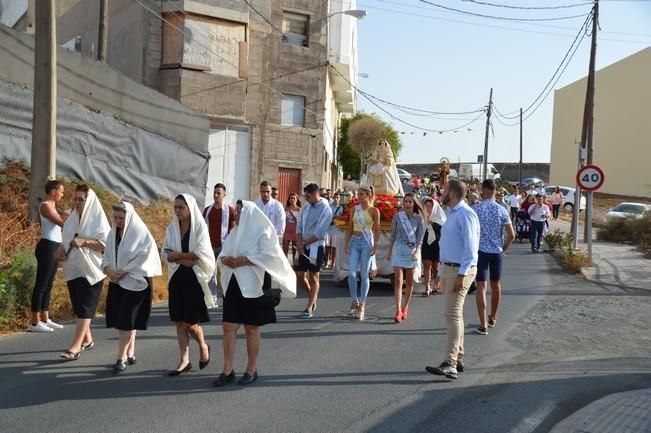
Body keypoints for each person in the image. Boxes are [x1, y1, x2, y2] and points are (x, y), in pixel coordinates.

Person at [213, 200, 296, 387]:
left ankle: (251, 369)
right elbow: (222, 253)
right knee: (228, 327)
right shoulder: (234, 232)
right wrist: (225, 259)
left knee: (251, 328)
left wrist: (245, 260)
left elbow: (270, 257)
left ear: (250, 212)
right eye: (237, 211)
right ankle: (228, 371)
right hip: (233, 285)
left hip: (253, 287)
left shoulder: (263, 232)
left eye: (241, 211)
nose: (237, 214)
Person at [425, 180, 479, 380]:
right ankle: (459, 357)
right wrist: (440, 272)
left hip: (459, 270)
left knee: (452, 315)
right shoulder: (452, 213)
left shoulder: (466, 214)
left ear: (453, 193)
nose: (442, 192)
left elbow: (471, 248)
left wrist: (463, 274)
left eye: (445, 190)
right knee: (455, 315)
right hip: (449, 268)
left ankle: (450, 363)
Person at [103, 202, 162, 373]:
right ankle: (130, 353)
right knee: (126, 320)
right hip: (117, 282)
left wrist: (125, 271)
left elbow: (145, 257)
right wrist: (108, 270)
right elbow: (106, 257)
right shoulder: (112, 234)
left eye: (121, 218)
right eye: (115, 218)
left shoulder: (140, 232)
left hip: (136, 283)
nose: (118, 221)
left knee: (126, 321)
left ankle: (120, 357)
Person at [163, 194, 215, 376]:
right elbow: (166, 253)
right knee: (178, 322)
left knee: (190, 322)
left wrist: (179, 256)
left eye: (181, 207)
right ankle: (184, 360)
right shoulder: (171, 229)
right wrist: (183, 257)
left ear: (189, 208)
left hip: (194, 278)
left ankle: (203, 346)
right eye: (175, 207)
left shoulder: (200, 228)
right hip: (177, 277)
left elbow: (200, 254)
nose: (177, 210)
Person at [57, 185, 110, 360]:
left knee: (86, 309)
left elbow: (105, 245)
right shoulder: (71, 219)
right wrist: (60, 250)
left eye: (81, 199)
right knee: (78, 308)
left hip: (92, 271)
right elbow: (64, 241)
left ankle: (75, 347)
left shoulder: (98, 219)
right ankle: (88, 340)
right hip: (73, 269)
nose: (77, 202)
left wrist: (85, 242)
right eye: (76, 199)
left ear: (89, 201)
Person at [472, 180, 515, 336]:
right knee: (496, 285)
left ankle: (483, 324)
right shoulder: (502, 210)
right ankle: (493, 317)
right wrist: (503, 249)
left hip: (481, 252)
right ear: (496, 191)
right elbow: (511, 235)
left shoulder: (475, 209)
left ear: (483, 191)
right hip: (497, 252)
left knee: (481, 287)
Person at [30, 179, 66, 333]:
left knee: (49, 284)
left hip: (55, 246)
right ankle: (34, 322)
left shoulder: (53, 205)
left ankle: (45, 318)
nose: (62, 195)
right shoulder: (45, 206)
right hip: (47, 246)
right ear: (53, 192)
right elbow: (61, 223)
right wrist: (68, 214)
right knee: (41, 284)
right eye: (61, 192)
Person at [296, 183, 333, 318]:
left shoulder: (326, 210)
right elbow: (299, 226)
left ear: (314, 194)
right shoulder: (305, 208)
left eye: (307, 196)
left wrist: (304, 243)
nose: (305, 199)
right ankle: (313, 296)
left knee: (314, 277)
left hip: (316, 247)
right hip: (303, 246)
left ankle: (309, 307)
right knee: (300, 276)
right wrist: (299, 243)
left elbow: (320, 233)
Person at [344, 186, 380, 321]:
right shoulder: (354, 209)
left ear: (368, 195)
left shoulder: (374, 211)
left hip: (366, 242)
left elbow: (377, 229)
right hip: (354, 241)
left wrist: (375, 245)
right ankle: (354, 300)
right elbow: (349, 227)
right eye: (358, 195)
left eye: (361, 194)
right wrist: (347, 242)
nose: (359, 197)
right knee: (351, 274)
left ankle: (362, 304)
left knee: (364, 274)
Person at [388, 192, 425, 323]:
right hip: (398, 248)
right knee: (398, 280)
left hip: (412, 250)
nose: (407, 204)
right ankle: (398, 310)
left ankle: (405, 306)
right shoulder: (398, 217)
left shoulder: (419, 219)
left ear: (414, 203)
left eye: (410, 201)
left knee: (409, 282)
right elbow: (392, 235)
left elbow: (420, 240)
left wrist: (416, 252)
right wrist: (389, 251)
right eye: (406, 201)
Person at [203, 183, 236, 306]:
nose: (216, 195)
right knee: (211, 274)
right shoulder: (207, 211)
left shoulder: (231, 211)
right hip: (210, 247)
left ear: (224, 195)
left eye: (219, 193)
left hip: (225, 247)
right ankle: (212, 299)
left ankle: (228, 299)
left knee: (226, 273)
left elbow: (234, 230)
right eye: (215, 192)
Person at [421, 197, 446, 297]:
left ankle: (435, 285)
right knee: (427, 265)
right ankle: (427, 287)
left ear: (434, 207)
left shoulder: (440, 218)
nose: (428, 208)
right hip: (426, 244)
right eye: (426, 206)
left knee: (436, 268)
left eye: (430, 206)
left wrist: (434, 224)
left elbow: (443, 231)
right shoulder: (422, 217)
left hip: (437, 245)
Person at [325, 192, 343, 269]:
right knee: (327, 247)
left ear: (339, 199)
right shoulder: (329, 206)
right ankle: (326, 262)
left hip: (336, 229)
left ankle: (333, 263)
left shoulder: (341, 208)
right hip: (328, 229)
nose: (336, 199)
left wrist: (337, 218)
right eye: (335, 197)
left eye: (337, 198)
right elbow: (325, 216)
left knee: (334, 247)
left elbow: (343, 220)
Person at [282, 192, 301, 261]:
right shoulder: (286, 209)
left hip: (295, 232)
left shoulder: (299, 209)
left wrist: (292, 213)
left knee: (294, 251)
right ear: (289, 200)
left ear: (296, 200)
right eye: (291, 198)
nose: (292, 200)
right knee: (285, 250)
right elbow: (283, 220)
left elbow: (298, 222)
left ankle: (295, 267)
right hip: (287, 231)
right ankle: (285, 266)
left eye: (294, 198)